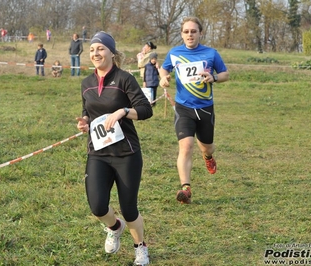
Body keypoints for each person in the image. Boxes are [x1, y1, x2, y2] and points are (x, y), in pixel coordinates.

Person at [76, 31, 152, 266]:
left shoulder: (124, 79)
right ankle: (114, 227)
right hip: (98, 154)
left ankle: (140, 247)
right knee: (97, 206)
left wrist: (123, 112)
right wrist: (84, 122)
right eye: (92, 50)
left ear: (111, 52)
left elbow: (146, 109)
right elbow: (88, 112)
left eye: (100, 49)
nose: (96, 53)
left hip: (126, 154)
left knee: (129, 209)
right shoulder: (86, 84)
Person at [159, 16, 229, 204]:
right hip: (184, 108)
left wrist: (213, 78)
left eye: (193, 31)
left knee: (207, 145)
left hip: (205, 108)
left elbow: (225, 74)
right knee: (186, 145)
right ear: (181, 34)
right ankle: (186, 188)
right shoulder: (174, 53)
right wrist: (163, 78)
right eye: (186, 31)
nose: (189, 35)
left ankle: (207, 156)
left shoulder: (211, 53)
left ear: (200, 33)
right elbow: (164, 69)